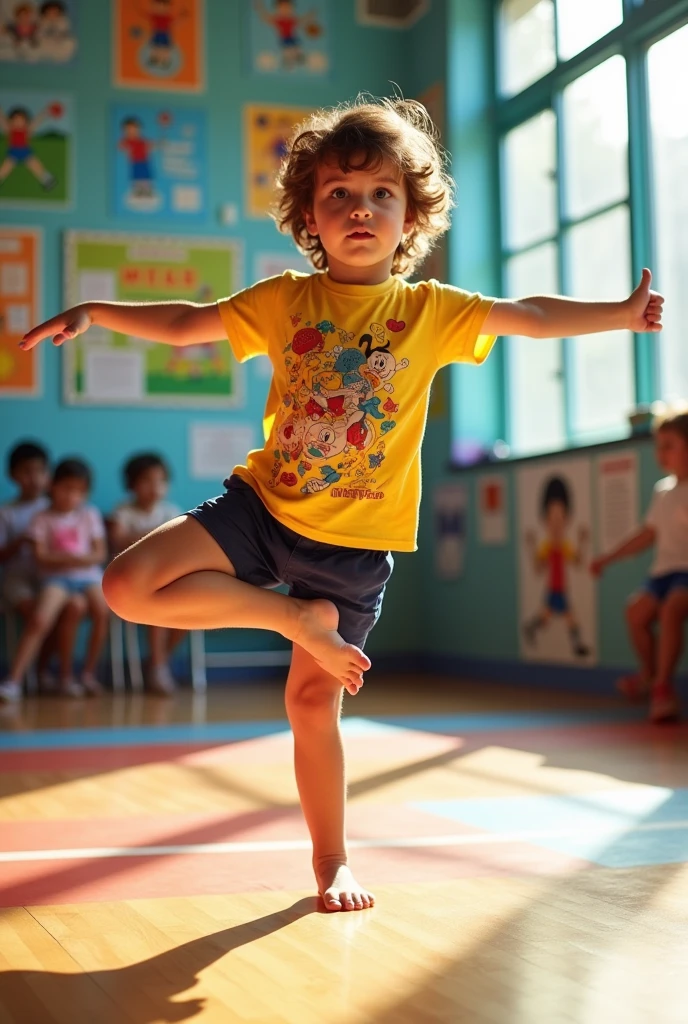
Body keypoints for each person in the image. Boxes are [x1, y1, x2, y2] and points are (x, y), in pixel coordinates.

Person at [19, 96, 664, 909]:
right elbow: (187, 324)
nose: (360, 211)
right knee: (124, 585)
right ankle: (292, 619)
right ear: (309, 218)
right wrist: (94, 311)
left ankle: (332, 862)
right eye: (338, 196)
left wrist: (618, 314)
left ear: (411, 214)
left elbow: (530, 316)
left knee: (309, 702)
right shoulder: (286, 299)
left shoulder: (431, 312)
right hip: (263, 507)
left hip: (354, 545)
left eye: (380, 195)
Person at [592, 410, 688, 723]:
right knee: (635, 612)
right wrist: (607, 557)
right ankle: (648, 675)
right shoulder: (662, 491)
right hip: (663, 572)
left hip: (685, 575)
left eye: (669, 446)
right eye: (658, 446)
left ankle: (662, 688)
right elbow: (647, 535)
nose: (661, 454)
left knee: (671, 610)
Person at [0, 458, 109, 701]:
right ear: (53, 486)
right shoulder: (42, 518)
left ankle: (88, 673)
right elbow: (40, 559)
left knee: (103, 610)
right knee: (40, 619)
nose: (71, 496)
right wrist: (75, 559)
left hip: (89, 578)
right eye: (66, 488)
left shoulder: (89, 514)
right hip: (56, 580)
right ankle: (13, 680)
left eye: (79, 491)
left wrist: (62, 558)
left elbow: (99, 554)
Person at [109, 452, 184, 695]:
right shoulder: (123, 512)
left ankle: (156, 661)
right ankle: (158, 668)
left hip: (167, 580)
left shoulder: (171, 512)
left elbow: (179, 546)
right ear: (132, 485)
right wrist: (156, 536)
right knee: (157, 610)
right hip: (133, 584)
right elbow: (118, 540)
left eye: (160, 481)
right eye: (146, 481)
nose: (154, 488)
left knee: (189, 615)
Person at [523, 475, 591, 658]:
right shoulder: (547, 547)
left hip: (561, 587)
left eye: (560, 518)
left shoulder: (565, 546)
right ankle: (575, 645)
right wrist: (531, 546)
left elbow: (576, 561)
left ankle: (531, 628)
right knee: (564, 616)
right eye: (552, 518)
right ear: (545, 519)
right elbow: (538, 567)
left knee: (554, 617)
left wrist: (582, 542)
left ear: (567, 518)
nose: (556, 524)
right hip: (554, 589)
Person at [0, 104, 57, 190]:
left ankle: (46, 179)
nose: (18, 122)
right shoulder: (9, 130)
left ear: (26, 121)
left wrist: (45, 113)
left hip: (25, 151)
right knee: (6, 168)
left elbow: (36, 122)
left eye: (21, 120)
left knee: (35, 165)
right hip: (13, 152)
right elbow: (2, 120)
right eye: (15, 120)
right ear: (11, 121)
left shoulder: (27, 130)